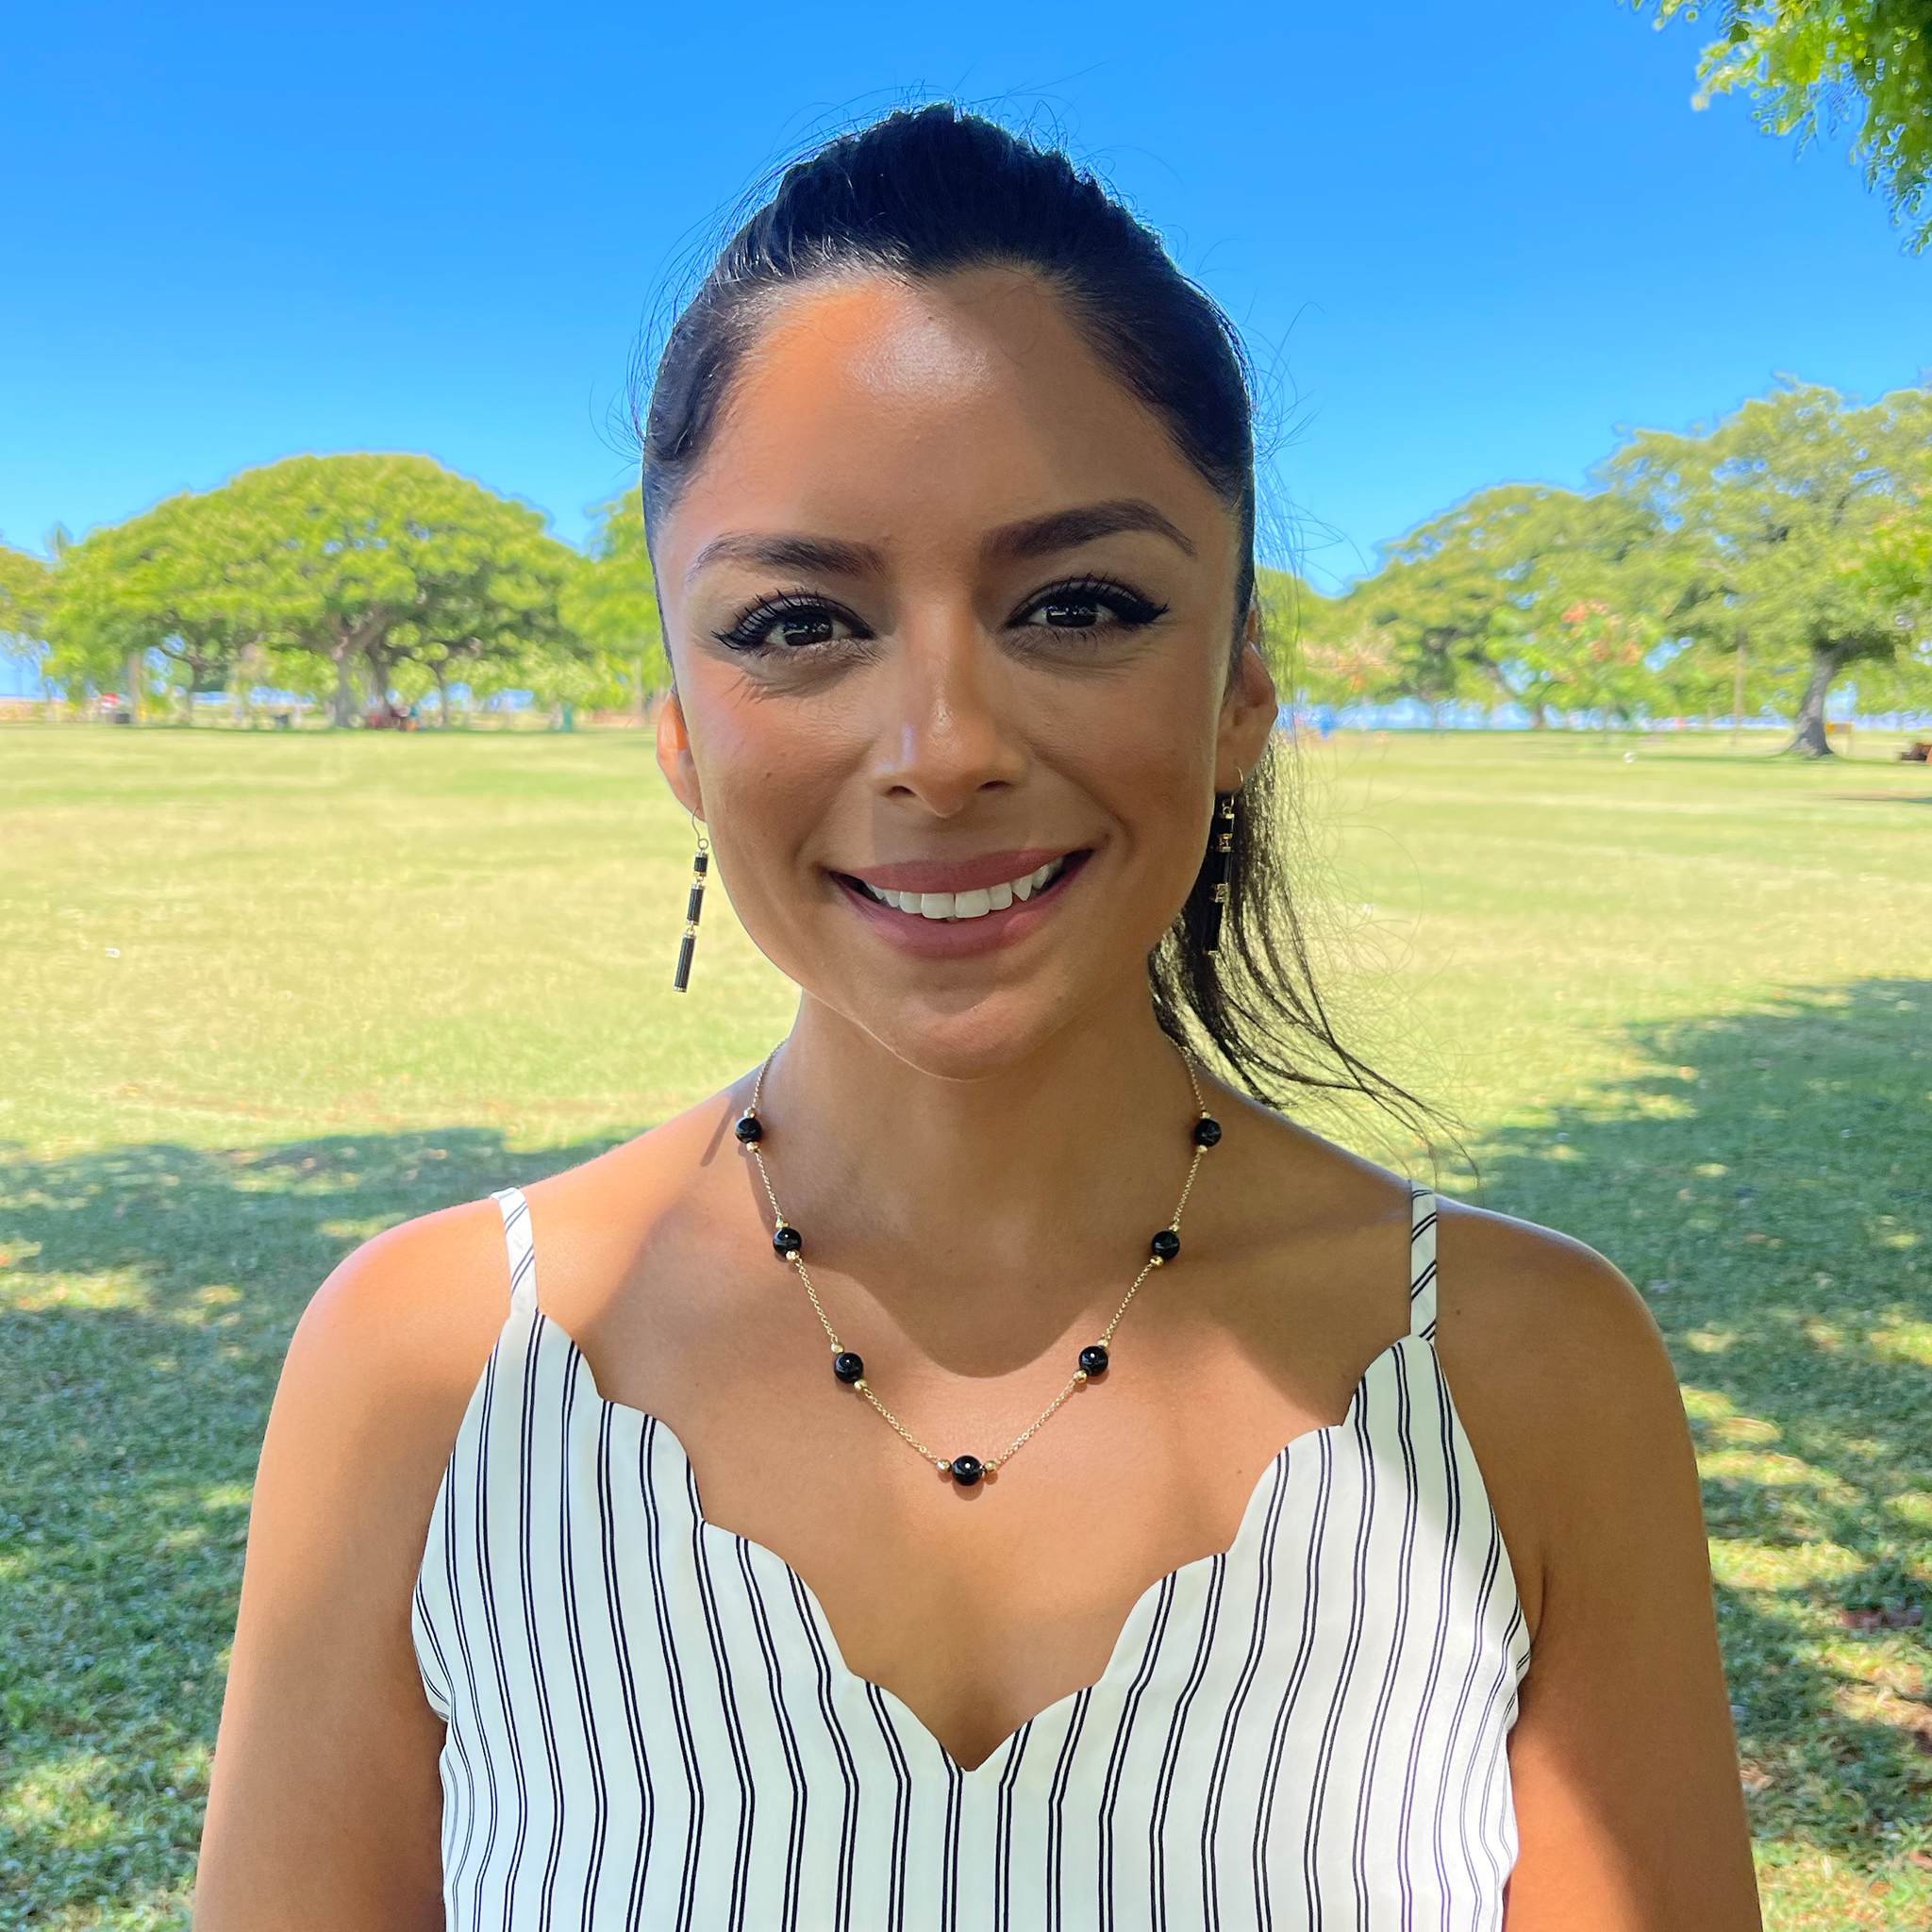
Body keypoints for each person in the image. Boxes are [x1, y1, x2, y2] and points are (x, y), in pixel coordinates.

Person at [193, 107, 1759, 1930]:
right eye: (796, 623)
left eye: (1078, 603)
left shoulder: (1529, 1371)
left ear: (1241, 685)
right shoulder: (423, 1371)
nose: (943, 748)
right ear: (681, 728)